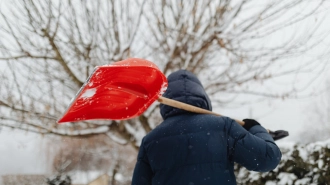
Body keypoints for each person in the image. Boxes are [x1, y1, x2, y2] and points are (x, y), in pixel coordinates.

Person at [131, 70, 282, 185]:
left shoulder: (150, 141)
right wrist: (255, 128)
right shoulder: (223, 127)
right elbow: (268, 158)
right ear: (202, 95)